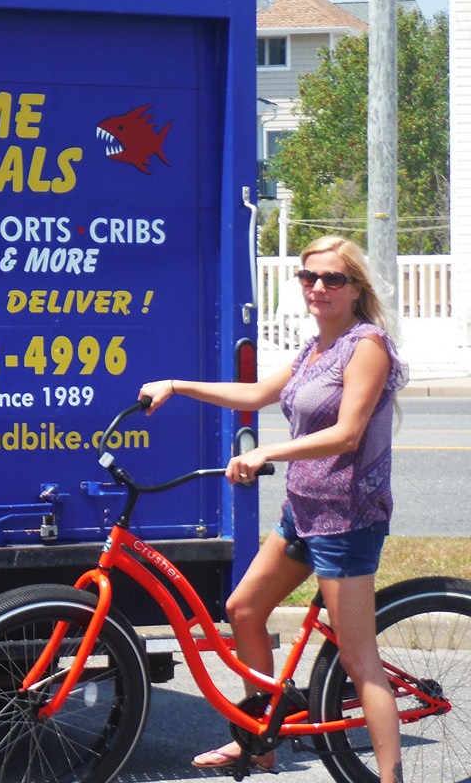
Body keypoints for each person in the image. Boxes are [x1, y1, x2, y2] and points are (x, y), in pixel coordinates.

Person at [139, 236, 408, 783]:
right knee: (243, 610)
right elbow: (256, 394)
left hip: (349, 519)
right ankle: (261, 743)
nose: (318, 288)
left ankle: (390, 777)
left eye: (333, 279)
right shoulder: (315, 350)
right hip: (303, 512)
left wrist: (265, 451)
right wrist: (176, 385)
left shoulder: (367, 345)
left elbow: (348, 433)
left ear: (357, 288)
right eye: (309, 277)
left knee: (359, 662)